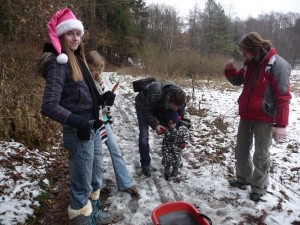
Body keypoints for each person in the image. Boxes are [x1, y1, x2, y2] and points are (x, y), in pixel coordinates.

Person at [37, 8, 116, 224]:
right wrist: (79, 122)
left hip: (92, 126)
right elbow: (49, 106)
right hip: (78, 130)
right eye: (70, 33)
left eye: (78, 33)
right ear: (61, 35)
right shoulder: (58, 63)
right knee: (81, 183)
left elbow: (81, 95)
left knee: (94, 176)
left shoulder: (78, 59)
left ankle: (93, 210)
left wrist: (103, 98)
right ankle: (81, 218)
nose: (75, 37)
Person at [224, 32, 291, 201]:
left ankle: (259, 187)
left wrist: (281, 124)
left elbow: (283, 97)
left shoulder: (277, 65)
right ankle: (243, 179)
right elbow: (238, 80)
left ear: (254, 48)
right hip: (246, 115)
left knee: (261, 154)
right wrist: (230, 70)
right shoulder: (250, 64)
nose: (242, 55)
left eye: (244, 51)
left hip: (265, 118)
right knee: (241, 150)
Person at [85, 50, 139, 196]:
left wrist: (108, 99)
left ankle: (125, 183)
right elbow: (85, 104)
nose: (96, 72)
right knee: (97, 155)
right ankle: (98, 184)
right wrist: (100, 101)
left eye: (98, 69)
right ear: (87, 66)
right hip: (92, 122)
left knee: (115, 149)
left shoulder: (99, 80)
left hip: (103, 120)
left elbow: (101, 103)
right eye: (93, 68)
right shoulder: (83, 81)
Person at [135, 80, 187, 176]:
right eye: (175, 107)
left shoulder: (180, 101)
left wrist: (180, 131)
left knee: (174, 132)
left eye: (178, 108)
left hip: (160, 107)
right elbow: (147, 111)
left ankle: (175, 159)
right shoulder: (156, 93)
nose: (176, 110)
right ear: (170, 100)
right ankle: (145, 164)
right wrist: (156, 125)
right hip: (143, 105)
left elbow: (180, 117)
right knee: (144, 136)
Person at [161, 109, 189, 180]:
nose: (171, 125)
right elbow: (162, 131)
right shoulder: (166, 127)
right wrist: (163, 131)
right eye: (169, 123)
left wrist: (183, 143)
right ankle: (167, 171)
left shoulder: (182, 128)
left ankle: (175, 170)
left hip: (177, 147)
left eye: (173, 123)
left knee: (176, 160)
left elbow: (186, 135)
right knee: (167, 159)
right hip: (167, 147)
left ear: (176, 121)